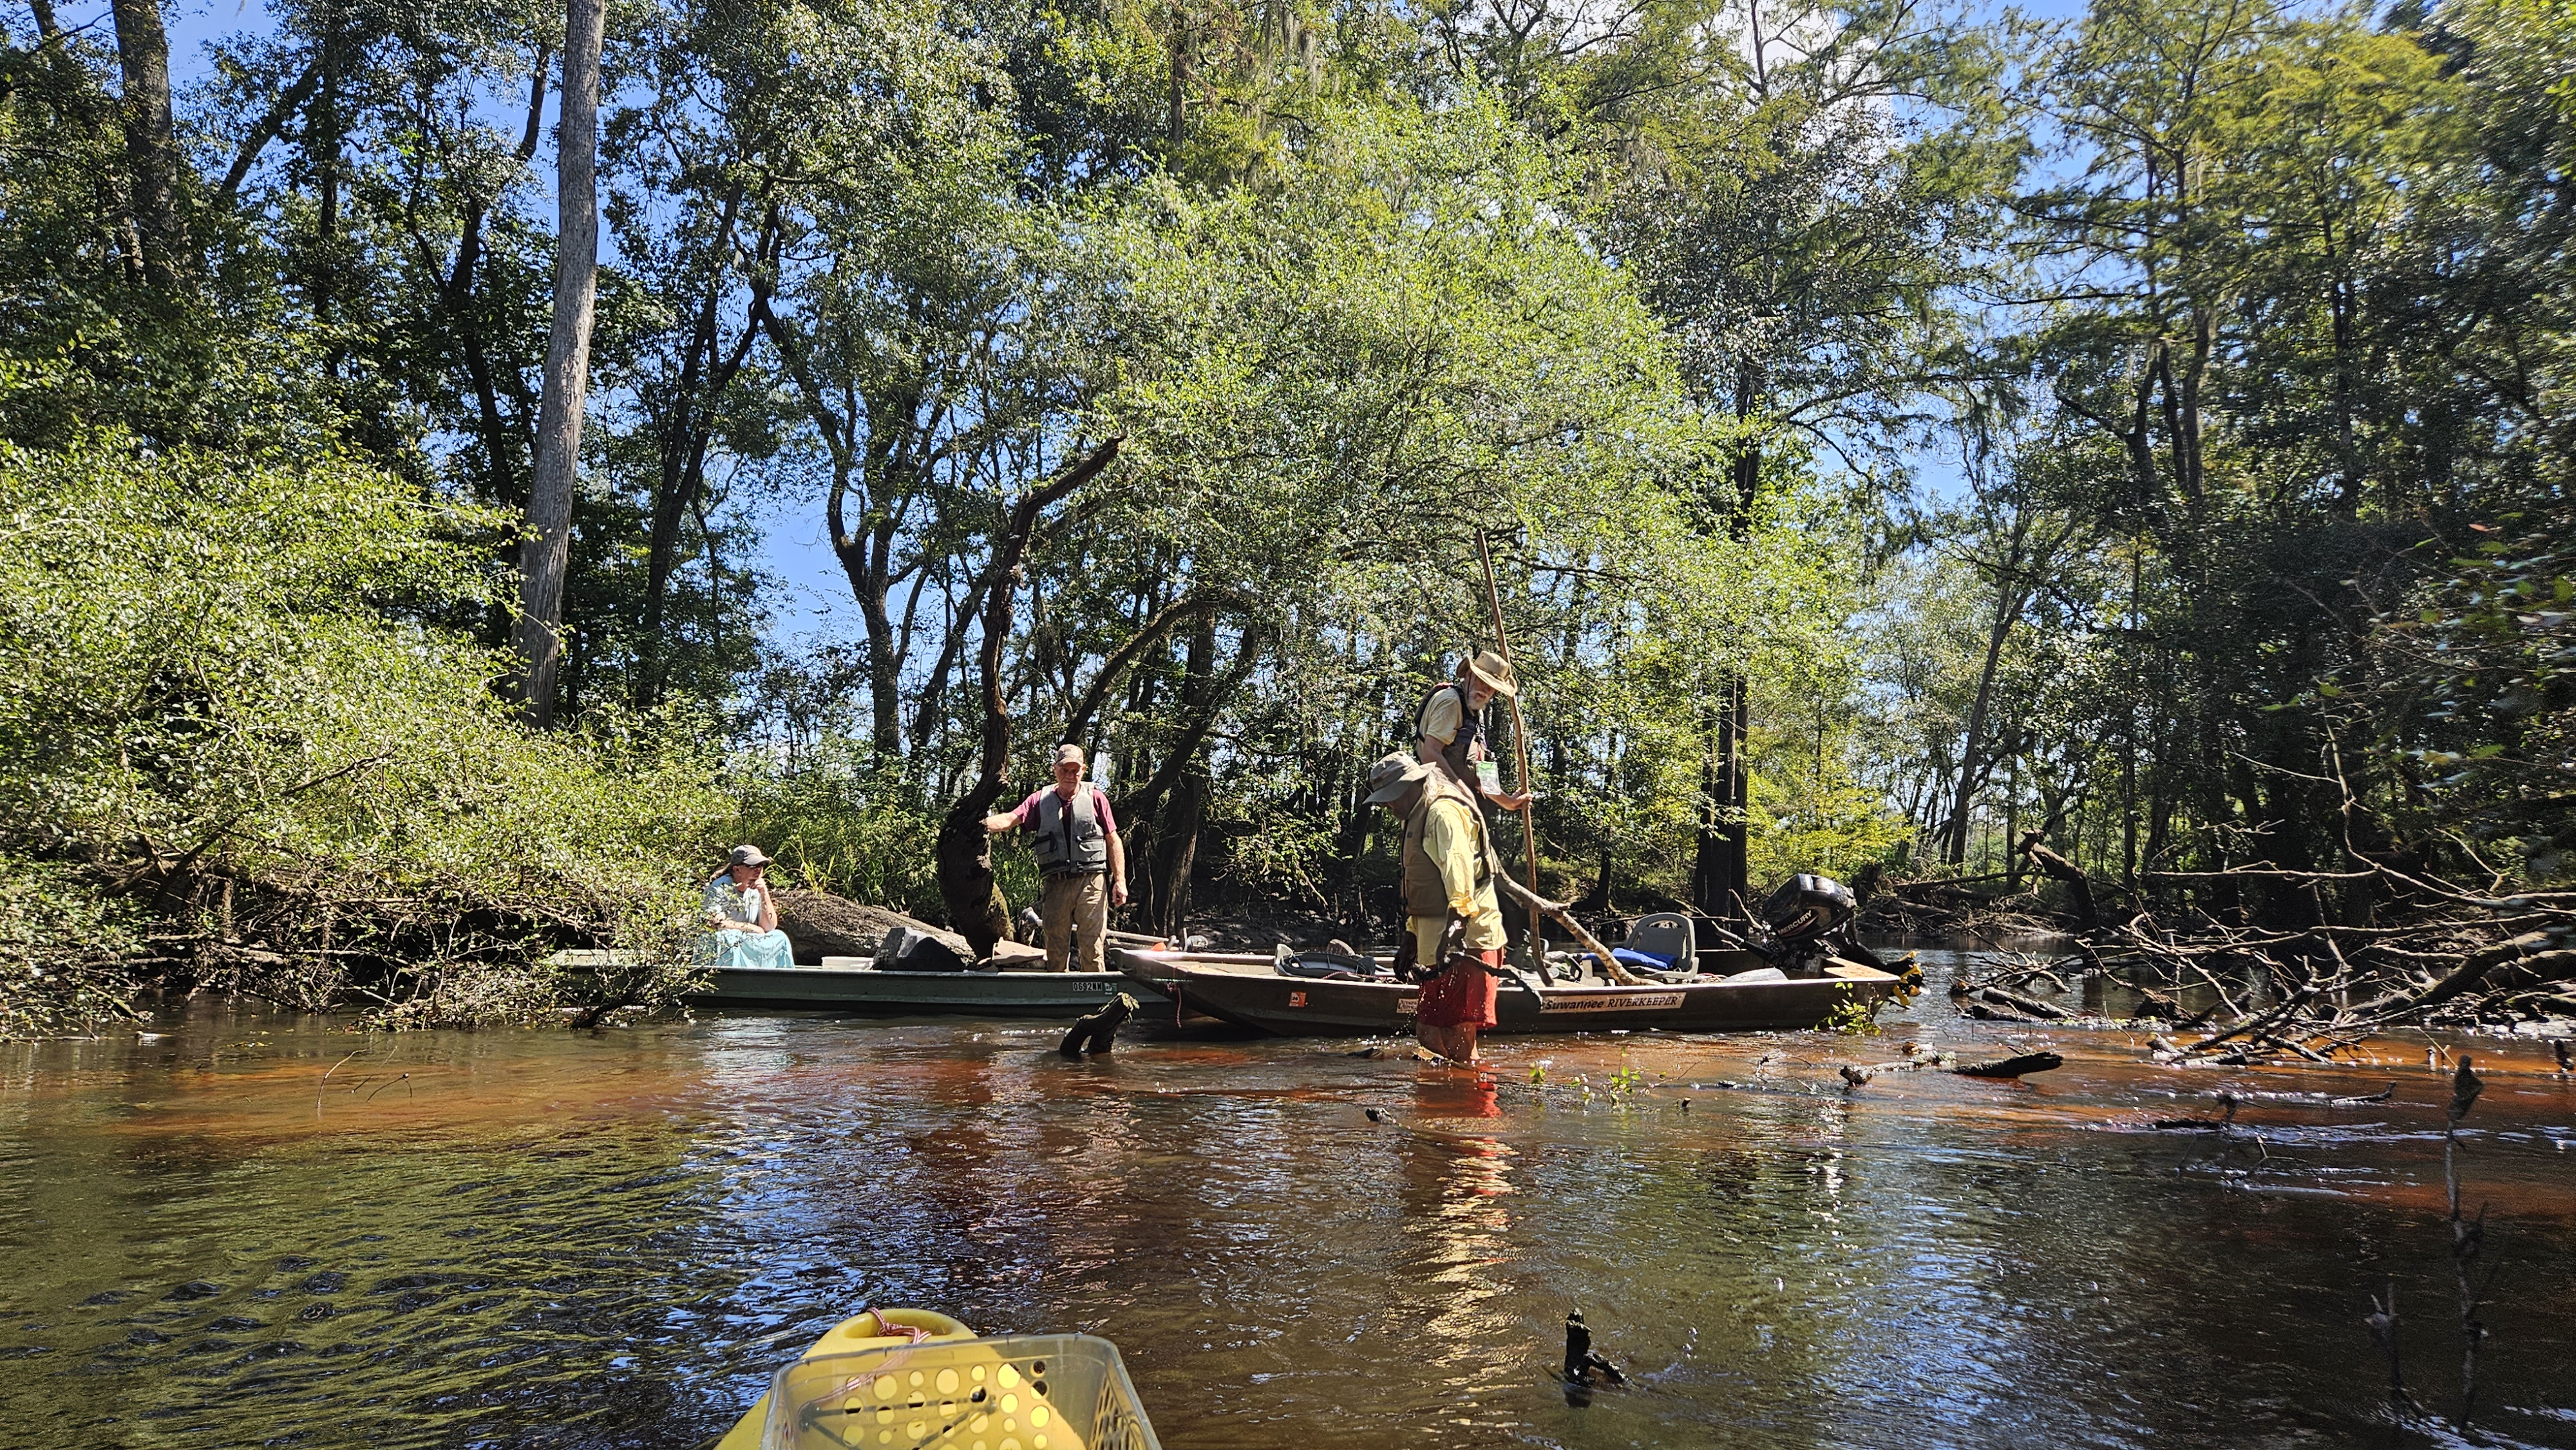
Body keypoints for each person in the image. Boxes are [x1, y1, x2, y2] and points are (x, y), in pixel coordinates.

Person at [1365, 750, 1506, 1063]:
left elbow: (1461, 882)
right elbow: (1426, 888)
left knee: (1457, 1036)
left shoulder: (1443, 814)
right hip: (1435, 947)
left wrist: (1453, 939)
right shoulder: (1418, 812)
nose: (1388, 805)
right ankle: (1442, 1106)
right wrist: (1411, 937)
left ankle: (1475, 1107)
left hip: (1466, 944)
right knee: (1429, 1034)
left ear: (1414, 784)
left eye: (1392, 796)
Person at [983, 743, 1130, 972]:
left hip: (1091, 882)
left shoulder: (1096, 798)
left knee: (1092, 946)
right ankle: (1058, 995)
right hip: (1056, 884)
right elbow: (1010, 819)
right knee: (1056, 948)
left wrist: (1119, 881)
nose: (1070, 776)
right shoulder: (1039, 801)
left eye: (1075, 770)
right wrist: (979, 825)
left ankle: (1095, 999)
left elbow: (1113, 840)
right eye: (1065, 770)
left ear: (1083, 770)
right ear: (1055, 769)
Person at [1416, 650, 1532, 813]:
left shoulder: (1477, 712)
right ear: (1470, 675)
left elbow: (1481, 765)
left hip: (1458, 805)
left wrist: (1508, 802)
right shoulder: (1451, 702)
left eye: (1492, 687)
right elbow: (1430, 754)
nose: (1486, 690)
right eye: (1483, 681)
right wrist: (1462, 790)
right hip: (1437, 803)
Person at [699, 844, 795, 970]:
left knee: (780, 937)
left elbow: (770, 927)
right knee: (728, 939)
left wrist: (764, 894)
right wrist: (750, 928)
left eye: (761, 865)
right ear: (737, 869)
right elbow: (712, 923)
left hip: (747, 942)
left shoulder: (757, 889)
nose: (758, 870)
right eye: (753, 866)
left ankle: (779, 983)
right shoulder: (719, 888)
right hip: (726, 947)